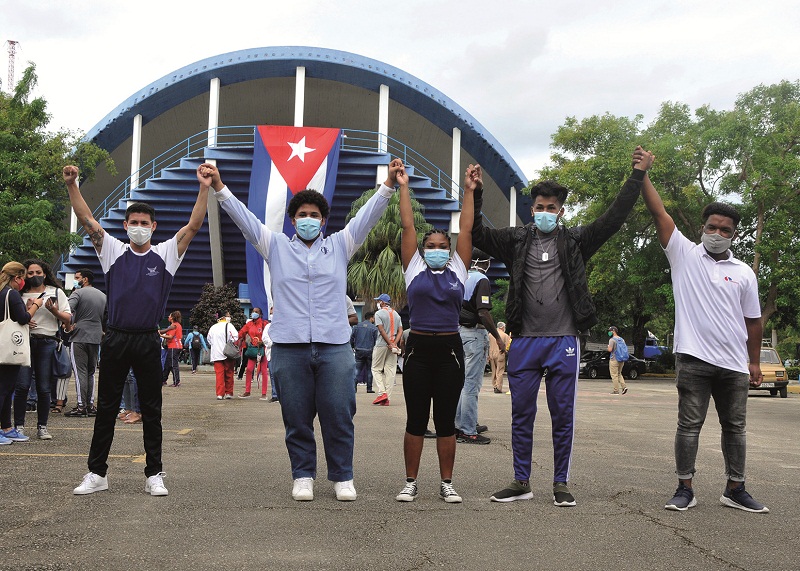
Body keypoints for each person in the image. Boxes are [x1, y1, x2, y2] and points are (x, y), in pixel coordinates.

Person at [203, 158, 398, 502]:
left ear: (324, 221)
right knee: (296, 416)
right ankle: (303, 474)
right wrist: (219, 187)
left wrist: (388, 186)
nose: (308, 219)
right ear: (293, 220)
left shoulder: (340, 244)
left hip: (334, 346)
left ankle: (343, 476)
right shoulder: (275, 245)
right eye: (302, 214)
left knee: (340, 412)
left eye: (315, 215)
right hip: (289, 346)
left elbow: (366, 218)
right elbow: (245, 221)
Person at [473, 148, 650, 506]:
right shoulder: (516, 239)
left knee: (562, 416)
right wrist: (474, 194)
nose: (544, 213)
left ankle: (560, 483)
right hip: (523, 341)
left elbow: (613, 219)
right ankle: (521, 482)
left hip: (564, 342)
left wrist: (636, 177)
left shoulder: (575, 241)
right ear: (532, 209)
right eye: (539, 206)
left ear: (561, 212)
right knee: (521, 414)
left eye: (551, 208)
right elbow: (477, 234)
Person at [636, 147, 769, 514]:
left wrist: (754, 362)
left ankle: (736, 488)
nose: (717, 233)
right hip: (693, 358)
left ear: (734, 235)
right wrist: (643, 173)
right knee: (689, 426)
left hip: (734, 365)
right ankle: (684, 488)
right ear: (702, 228)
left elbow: (754, 321)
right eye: (712, 227)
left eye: (725, 230)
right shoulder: (683, 254)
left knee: (735, 429)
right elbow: (658, 212)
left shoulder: (744, 272)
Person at [64, 163, 208, 496]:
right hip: (115, 336)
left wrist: (203, 187)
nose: (139, 228)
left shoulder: (166, 254)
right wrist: (73, 185)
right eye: (134, 223)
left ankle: (154, 473)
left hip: (147, 339)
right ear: (125, 226)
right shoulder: (112, 250)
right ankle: (96, 473)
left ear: (153, 227)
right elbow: (87, 221)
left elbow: (194, 225)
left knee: (151, 409)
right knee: (107, 407)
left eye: (145, 224)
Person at [393, 161, 477, 503]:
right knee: (416, 419)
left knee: (445, 420)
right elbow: (408, 223)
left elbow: (467, 229)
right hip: (418, 352)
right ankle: (411, 481)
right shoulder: (413, 268)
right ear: (423, 250)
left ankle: (446, 483)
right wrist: (403, 186)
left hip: (450, 352)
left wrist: (470, 191)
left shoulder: (458, 267)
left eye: (444, 244)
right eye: (432, 245)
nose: (439, 249)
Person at [14, 259, 72, 441]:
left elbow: (68, 318)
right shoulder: (19, 293)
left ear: (45, 273)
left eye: (38, 272)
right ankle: (19, 426)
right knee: (22, 386)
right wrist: (26, 312)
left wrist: (54, 311)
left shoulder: (56, 292)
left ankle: (42, 426)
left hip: (47, 341)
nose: (34, 276)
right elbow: (15, 317)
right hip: (25, 341)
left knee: (44, 387)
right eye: (30, 273)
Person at [455, 249, 505, 444]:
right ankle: (468, 430)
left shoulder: (462, 276)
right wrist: (497, 337)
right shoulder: (481, 280)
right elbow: (483, 312)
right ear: (484, 263)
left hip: (459, 332)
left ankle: (460, 423)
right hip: (474, 334)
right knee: (471, 384)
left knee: (462, 382)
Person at [0, 262, 44, 445]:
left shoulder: (2, 293)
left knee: (7, 388)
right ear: (17, 277)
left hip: (3, 346)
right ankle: (5, 428)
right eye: (23, 278)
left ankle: (7, 427)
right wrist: (36, 305)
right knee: (4, 389)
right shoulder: (12, 294)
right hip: (9, 349)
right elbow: (24, 318)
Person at [65, 269, 107, 417]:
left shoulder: (77, 293)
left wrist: (68, 324)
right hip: (96, 337)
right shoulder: (103, 296)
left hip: (79, 336)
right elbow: (107, 317)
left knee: (79, 372)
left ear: (86, 279)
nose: (75, 280)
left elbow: (67, 309)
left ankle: (81, 406)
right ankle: (90, 404)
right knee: (91, 372)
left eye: (77, 277)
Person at [370, 294, 403, 406]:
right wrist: (394, 344)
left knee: (376, 368)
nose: (377, 303)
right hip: (393, 346)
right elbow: (400, 331)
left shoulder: (378, 313)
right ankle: (387, 398)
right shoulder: (396, 314)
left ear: (383, 302)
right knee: (390, 370)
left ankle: (382, 392)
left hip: (381, 344)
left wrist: (389, 343)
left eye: (378, 301)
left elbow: (381, 330)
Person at [237, 307, 269, 398]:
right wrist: (237, 338)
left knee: (263, 371)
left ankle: (264, 393)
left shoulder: (264, 324)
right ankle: (247, 391)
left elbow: (270, 334)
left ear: (260, 314)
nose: (254, 313)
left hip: (262, 349)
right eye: (253, 311)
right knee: (249, 369)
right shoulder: (249, 324)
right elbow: (241, 333)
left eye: (256, 312)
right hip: (252, 349)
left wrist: (263, 342)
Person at [207, 311, 239, 400]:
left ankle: (219, 394)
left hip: (216, 354)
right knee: (229, 373)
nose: (229, 317)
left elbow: (209, 340)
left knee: (219, 375)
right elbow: (235, 337)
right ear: (224, 317)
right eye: (228, 315)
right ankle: (228, 392)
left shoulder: (213, 327)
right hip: (227, 353)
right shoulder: (229, 326)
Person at [351, 311, 378, 392]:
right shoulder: (374, 328)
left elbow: (352, 338)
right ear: (371, 318)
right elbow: (376, 340)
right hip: (370, 351)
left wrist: (353, 346)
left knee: (357, 369)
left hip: (359, 350)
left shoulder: (357, 326)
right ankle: (369, 388)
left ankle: (354, 387)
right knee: (369, 370)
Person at [159, 311, 183, 387]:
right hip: (175, 346)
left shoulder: (174, 325)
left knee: (173, 364)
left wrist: (161, 336)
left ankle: (176, 381)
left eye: (169, 316)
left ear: (172, 317)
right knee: (167, 364)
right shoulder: (178, 325)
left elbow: (170, 337)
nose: (168, 317)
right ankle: (163, 380)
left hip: (174, 346)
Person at [489, 322, 511, 394]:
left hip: (491, 354)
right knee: (500, 371)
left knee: (494, 371)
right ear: (502, 327)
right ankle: (498, 387)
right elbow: (508, 346)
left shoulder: (490, 334)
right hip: (500, 354)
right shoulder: (505, 335)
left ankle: (494, 385)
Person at [607, 326, 629, 395]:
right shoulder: (622, 339)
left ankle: (616, 390)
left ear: (613, 331)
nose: (609, 332)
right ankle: (624, 387)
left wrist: (608, 347)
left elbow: (610, 350)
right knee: (619, 373)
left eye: (610, 331)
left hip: (614, 359)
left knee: (614, 375)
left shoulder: (612, 340)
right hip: (621, 359)